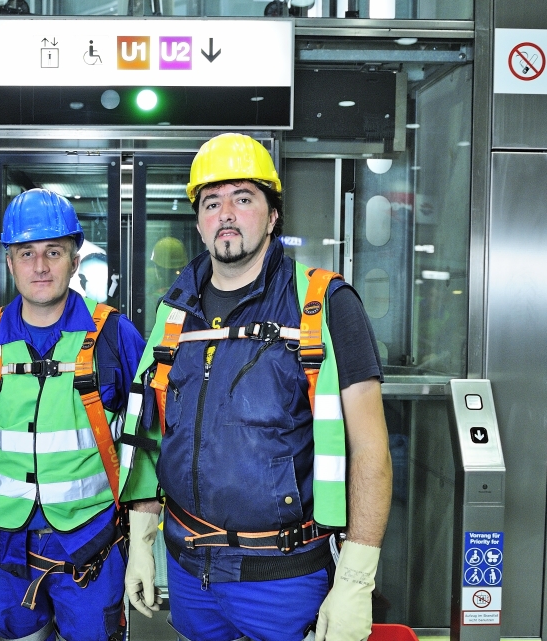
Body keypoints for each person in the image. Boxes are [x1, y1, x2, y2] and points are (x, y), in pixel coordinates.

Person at [123, 133, 392, 641]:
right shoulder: (173, 313)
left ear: (271, 216)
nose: (226, 213)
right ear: (199, 221)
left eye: (243, 198)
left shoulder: (325, 302)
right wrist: (141, 539)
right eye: (211, 202)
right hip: (187, 569)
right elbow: (150, 433)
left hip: (283, 577)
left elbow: (372, 451)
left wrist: (356, 577)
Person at [0, 188, 156, 641]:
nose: (40, 266)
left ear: (74, 260)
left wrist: (142, 540)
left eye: (53, 252)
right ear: (9, 261)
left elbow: (146, 447)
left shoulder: (114, 337)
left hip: (90, 547)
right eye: (27, 253)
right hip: (3, 545)